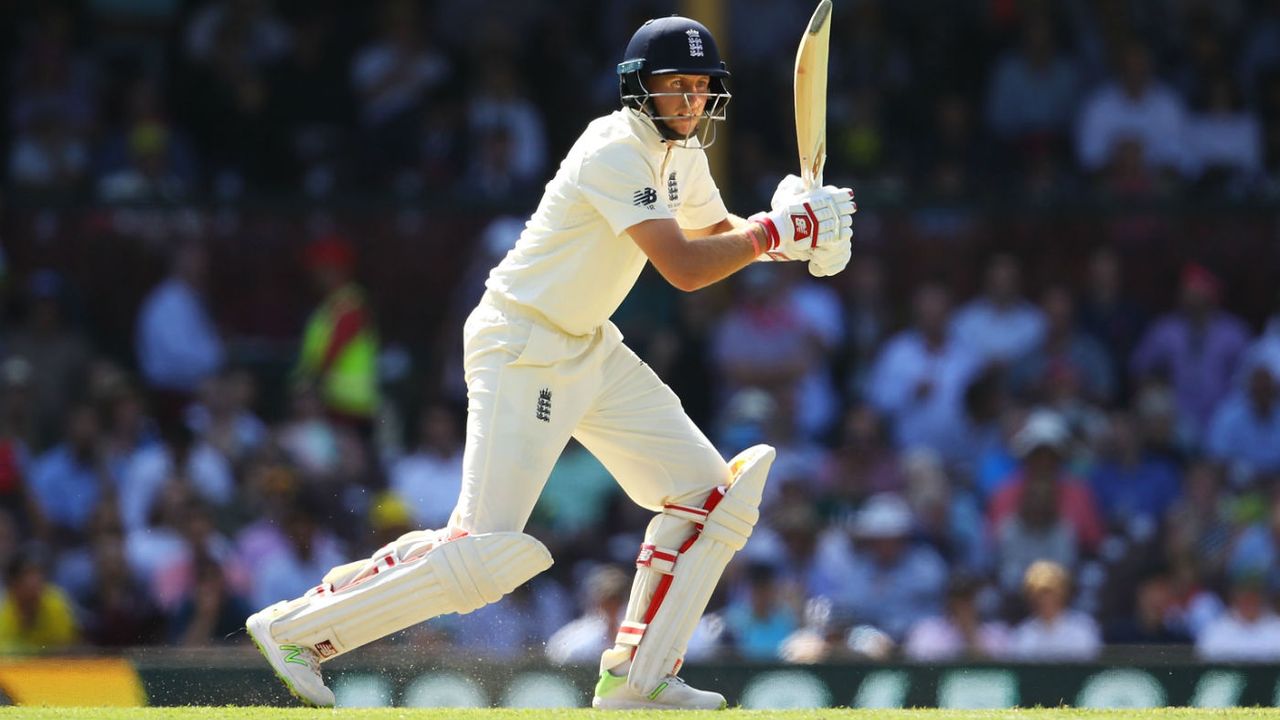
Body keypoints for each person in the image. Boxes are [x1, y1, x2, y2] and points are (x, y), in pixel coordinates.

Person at [245, 15, 855, 711]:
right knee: (484, 555)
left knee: (706, 497)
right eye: (674, 86)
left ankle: (639, 679)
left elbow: (719, 236)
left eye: (698, 86)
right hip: (524, 344)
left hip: (588, 344)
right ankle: (298, 630)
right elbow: (685, 267)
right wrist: (779, 232)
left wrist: (793, 231)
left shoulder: (681, 157)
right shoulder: (614, 150)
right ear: (638, 91)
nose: (688, 100)